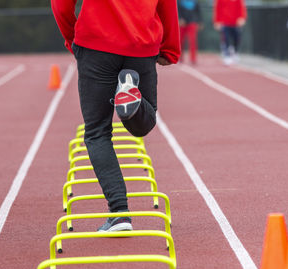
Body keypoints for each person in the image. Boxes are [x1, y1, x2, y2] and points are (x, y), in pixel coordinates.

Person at [51, 0, 180, 232]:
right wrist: (170, 47)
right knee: (142, 125)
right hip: (141, 44)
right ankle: (132, 100)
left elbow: (61, 5)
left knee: (97, 133)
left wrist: (73, 38)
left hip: (95, 45)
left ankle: (120, 213)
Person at [213, 0, 247, 65]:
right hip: (225, 23)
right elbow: (217, 9)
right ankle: (227, 56)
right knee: (226, 39)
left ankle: (235, 52)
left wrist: (242, 17)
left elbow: (242, 7)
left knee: (237, 39)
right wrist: (217, 21)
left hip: (236, 23)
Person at [178, 0, 203, 65]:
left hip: (192, 22)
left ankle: (193, 59)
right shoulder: (180, 2)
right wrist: (180, 19)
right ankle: (179, 58)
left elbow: (199, 12)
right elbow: (178, 11)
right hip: (183, 23)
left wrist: (200, 22)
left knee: (193, 41)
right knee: (180, 41)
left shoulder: (195, 2)